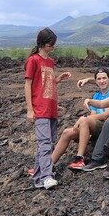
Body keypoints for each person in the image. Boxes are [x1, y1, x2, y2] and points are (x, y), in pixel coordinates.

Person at [24, 28, 71, 190]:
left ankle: (38, 178)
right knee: (44, 143)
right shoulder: (33, 60)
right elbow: (28, 84)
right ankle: (47, 176)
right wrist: (30, 109)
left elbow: (47, 83)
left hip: (51, 109)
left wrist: (58, 79)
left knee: (48, 144)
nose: (53, 47)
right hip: (40, 109)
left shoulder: (50, 62)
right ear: (43, 44)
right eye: (51, 44)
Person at [51, 68, 109, 171]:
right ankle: (48, 165)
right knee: (67, 132)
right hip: (97, 126)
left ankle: (79, 158)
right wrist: (83, 122)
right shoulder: (96, 95)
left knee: (84, 120)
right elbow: (93, 115)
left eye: (104, 78)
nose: (102, 81)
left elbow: (105, 115)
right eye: (99, 79)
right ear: (96, 81)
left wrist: (83, 120)